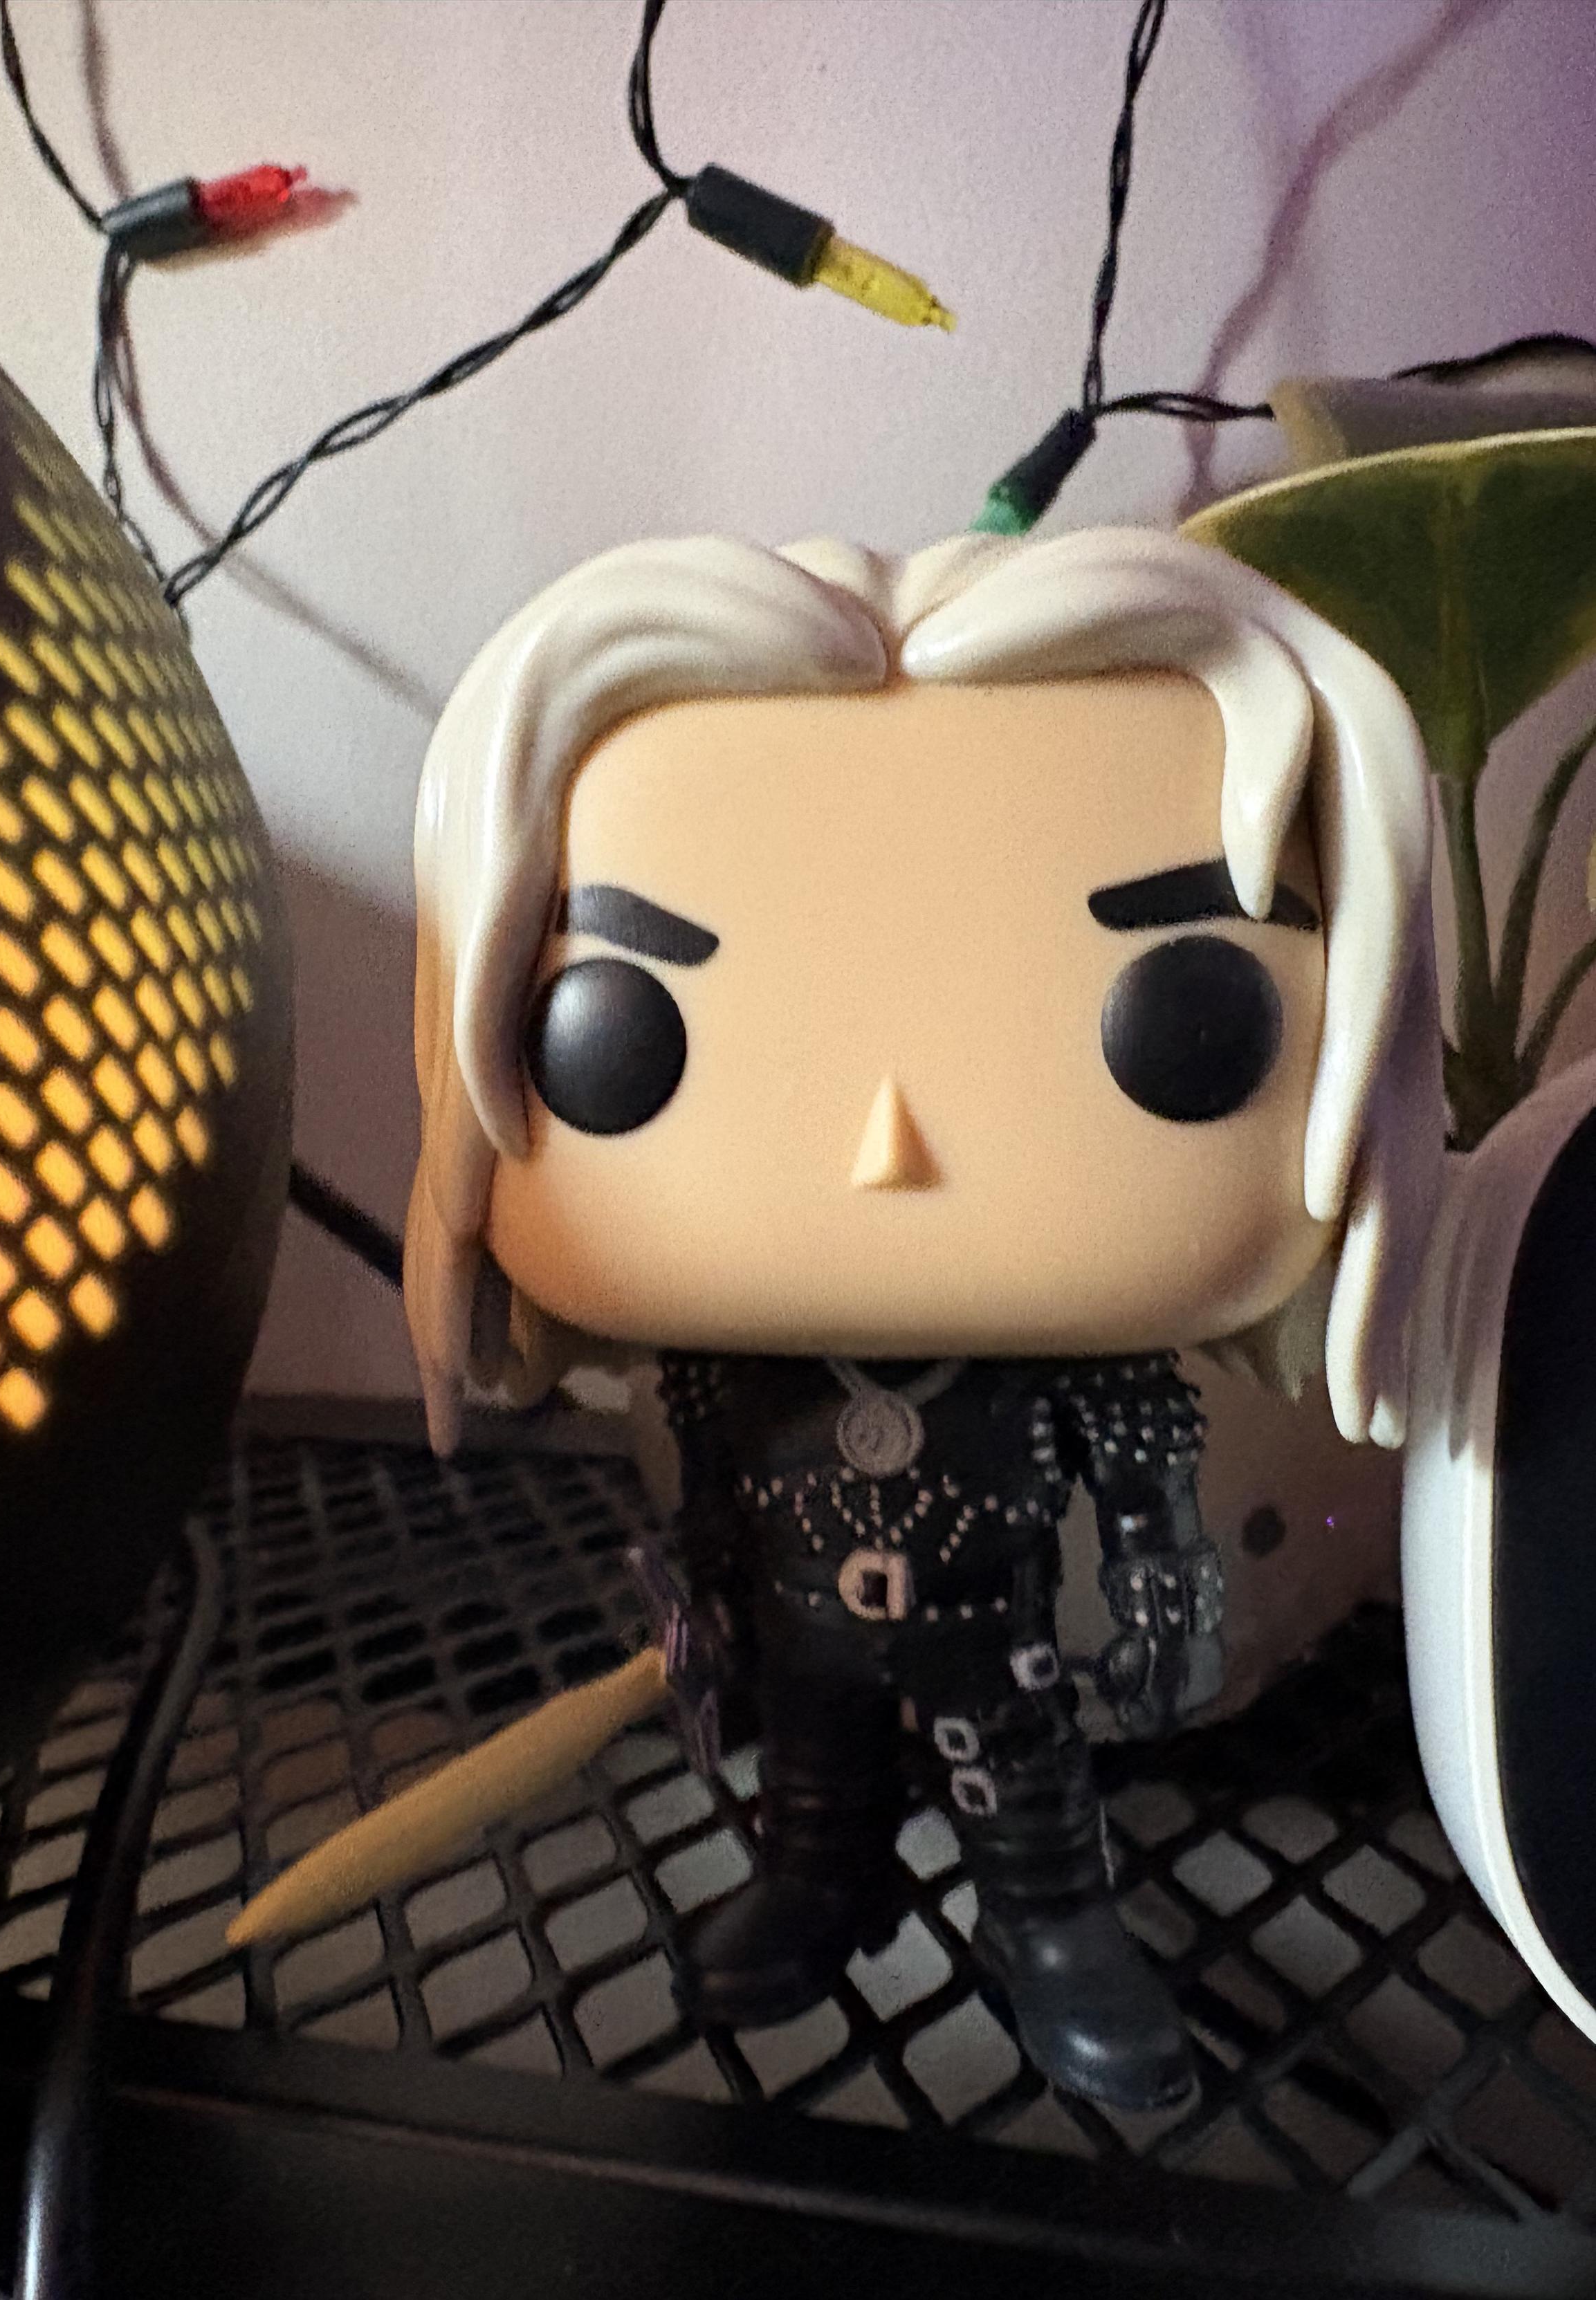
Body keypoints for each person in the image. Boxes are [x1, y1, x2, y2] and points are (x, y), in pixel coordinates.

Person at [404, 524, 1442, 2111]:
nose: (887, 1143)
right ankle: (816, 1883)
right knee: (813, 1778)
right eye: (624, 1031)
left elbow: (1146, 1498)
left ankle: (1050, 1923)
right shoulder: (722, 1377)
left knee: (1024, 1793)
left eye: (1185, 1017)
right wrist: (699, 1601)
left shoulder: (1083, 1382)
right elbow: (704, 1493)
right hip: (803, 1631)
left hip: (996, 1637)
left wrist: (1162, 1606)